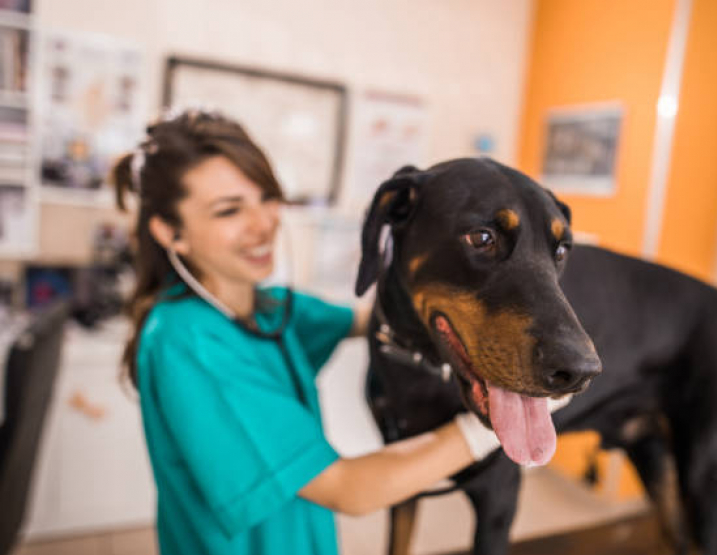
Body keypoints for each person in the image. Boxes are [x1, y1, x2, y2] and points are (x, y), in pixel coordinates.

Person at [112, 109, 500, 555]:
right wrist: (488, 427)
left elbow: (371, 319)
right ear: (171, 232)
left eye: (267, 197)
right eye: (229, 210)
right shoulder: (187, 342)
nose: (264, 224)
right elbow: (348, 489)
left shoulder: (270, 307)